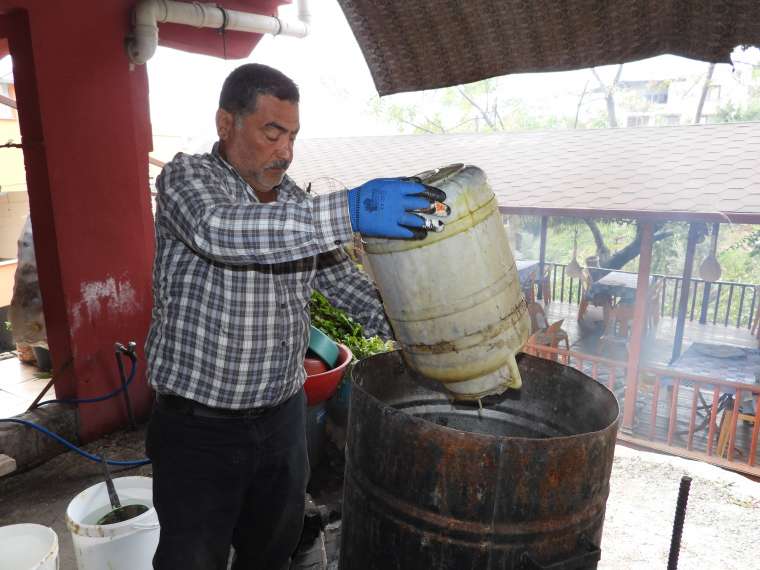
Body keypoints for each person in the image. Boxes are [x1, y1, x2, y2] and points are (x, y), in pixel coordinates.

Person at [144, 63, 447, 570]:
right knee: (191, 559)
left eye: (293, 136)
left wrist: (418, 331)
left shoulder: (292, 203)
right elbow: (223, 232)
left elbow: (342, 283)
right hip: (199, 430)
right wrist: (349, 209)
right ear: (226, 123)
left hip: (283, 421)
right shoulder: (187, 180)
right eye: (272, 132)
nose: (286, 152)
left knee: (272, 550)